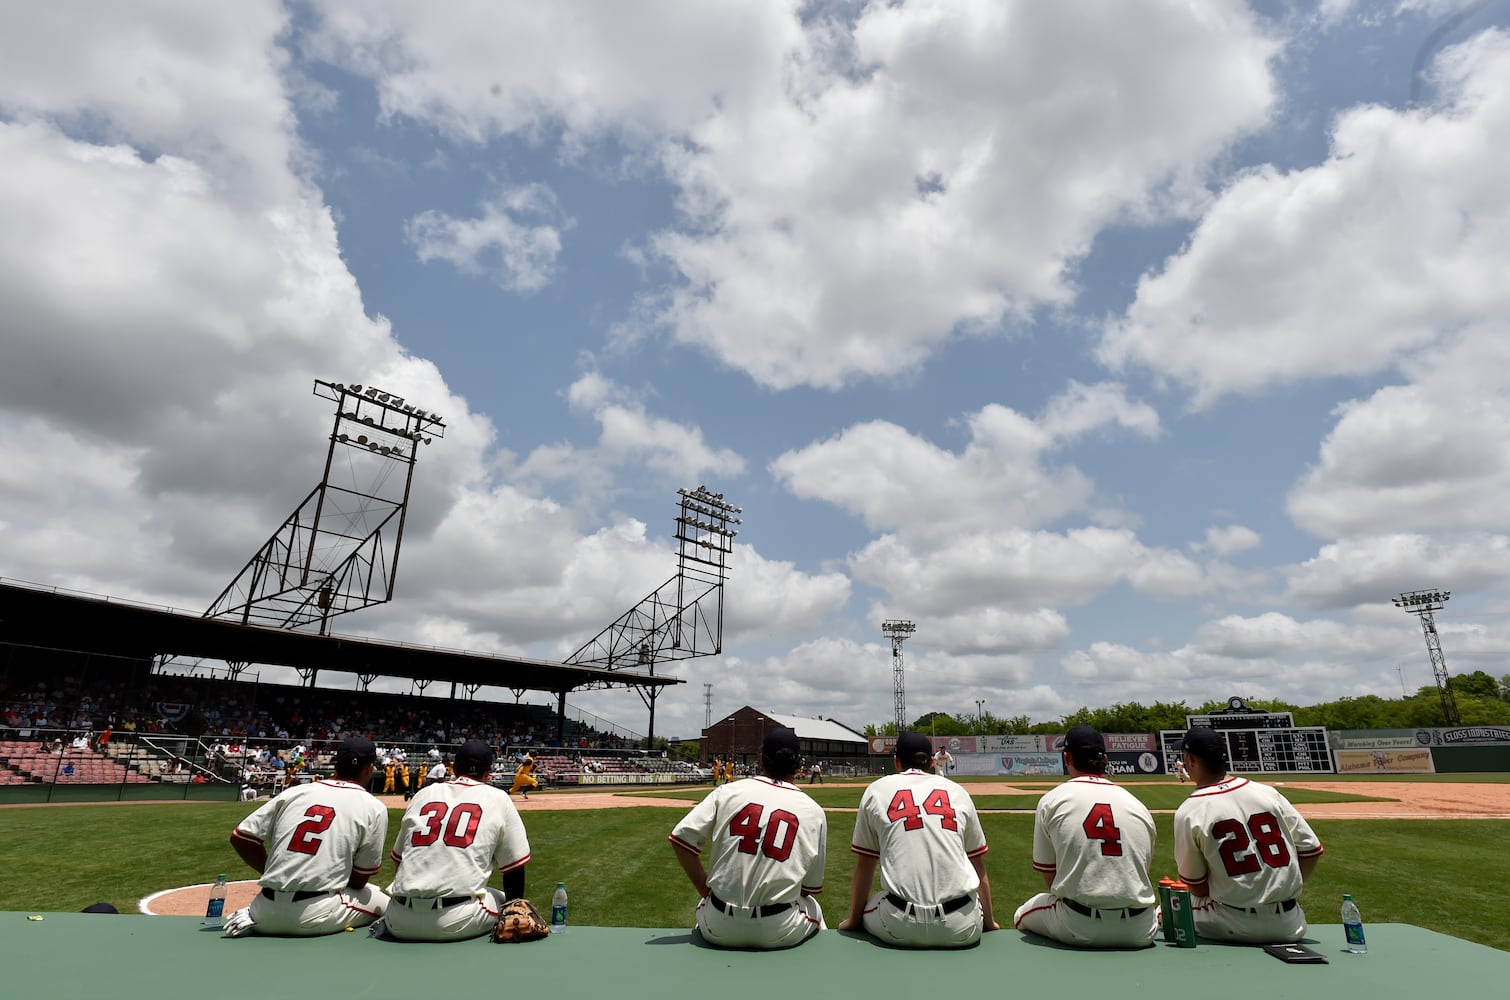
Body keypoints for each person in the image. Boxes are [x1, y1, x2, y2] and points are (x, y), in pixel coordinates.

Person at [668, 728, 826, 949]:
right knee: (812, 906)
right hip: (778, 929)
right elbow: (809, 888)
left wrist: (705, 890)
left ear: (761, 759)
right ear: (798, 763)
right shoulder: (813, 810)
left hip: (718, 925)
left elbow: (680, 838)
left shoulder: (727, 792)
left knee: (707, 904)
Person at [840, 731, 997, 948]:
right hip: (961, 927)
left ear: (896, 761)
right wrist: (990, 922)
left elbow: (866, 864)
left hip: (898, 925)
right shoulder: (957, 791)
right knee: (971, 898)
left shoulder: (876, 790)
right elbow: (978, 866)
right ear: (931, 761)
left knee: (874, 901)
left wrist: (853, 922)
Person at [223, 735, 389, 938]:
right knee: (385, 903)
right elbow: (358, 881)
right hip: (316, 915)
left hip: (263, 909)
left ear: (335, 766)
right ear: (369, 768)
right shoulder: (373, 807)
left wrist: (278, 873)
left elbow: (241, 838)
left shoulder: (295, 792)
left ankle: (251, 914)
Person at [1173, 727, 1324, 944]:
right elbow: (1311, 851)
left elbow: (1197, 886)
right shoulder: (1267, 793)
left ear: (1189, 759)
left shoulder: (1190, 811)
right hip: (1291, 922)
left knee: (1170, 904)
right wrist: (1278, 889)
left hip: (1232, 923)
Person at [1012, 726, 1157, 948]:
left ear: (1067, 757)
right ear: (1105, 759)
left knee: (1020, 915)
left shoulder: (1052, 800)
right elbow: (1141, 868)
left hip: (1078, 926)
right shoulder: (1138, 805)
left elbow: (1050, 876)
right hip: (1141, 928)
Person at [385, 740, 531, 942]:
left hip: (398, 919)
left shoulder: (424, 794)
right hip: (457, 921)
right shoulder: (498, 798)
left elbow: (398, 859)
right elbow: (514, 866)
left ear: (453, 766)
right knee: (504, 899)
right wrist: (515, 910)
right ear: (488, 772)